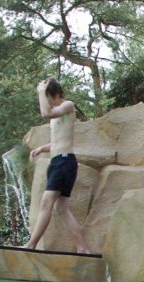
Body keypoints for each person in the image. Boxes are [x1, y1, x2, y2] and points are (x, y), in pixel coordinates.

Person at [25, 78, 89, 253]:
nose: (47, 102)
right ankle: (82, 248)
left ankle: (31, 245)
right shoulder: (57, 116)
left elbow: (45, 114)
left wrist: (40, 91)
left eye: (48, 98)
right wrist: (41, 148)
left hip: (65, 161)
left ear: (56, 94)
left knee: (46, 202)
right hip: (57, 161)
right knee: (61, 208)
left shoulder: (67, 105)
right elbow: (58, 141)